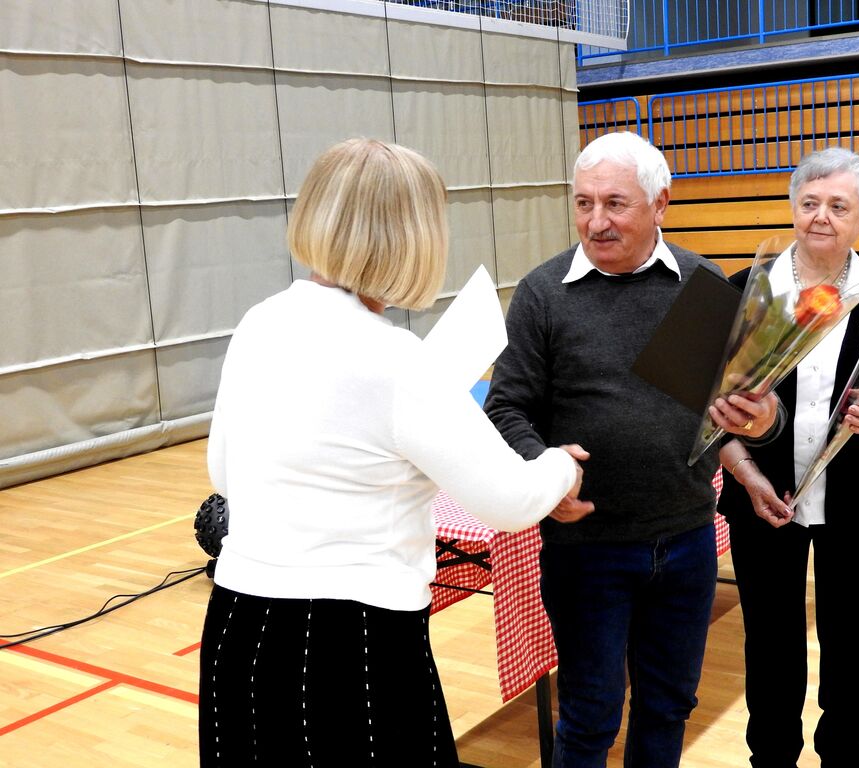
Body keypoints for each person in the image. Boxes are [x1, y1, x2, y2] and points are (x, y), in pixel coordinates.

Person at [198, 138, 590, 767]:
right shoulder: (397, 360)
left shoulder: (260, 321)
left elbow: (224, 471)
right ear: (411, 238)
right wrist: (561, 463)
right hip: (349, 640)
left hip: (238, 622)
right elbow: (512, 502)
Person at [484, 130, 781, 768]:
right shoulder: (543, 293)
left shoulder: (702, 285)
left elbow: (743, 408)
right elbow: (506, 407)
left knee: (668, 708)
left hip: (687, 540)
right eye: (584, 203)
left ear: (660, 205)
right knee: (590, 717)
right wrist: (545, 471)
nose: (597, 222)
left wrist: (762, 420)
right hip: (587, 549)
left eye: (616, 204)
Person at [716, 146, 859, 768]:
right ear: (794, 207)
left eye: (838, 205)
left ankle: (847, 754)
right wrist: (743, 468)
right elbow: (708, 401)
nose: (821, 216)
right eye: (809, 202)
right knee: (770, 643)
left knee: (855, 643)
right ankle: (771, 756)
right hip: (764, 499)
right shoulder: (748, 292)